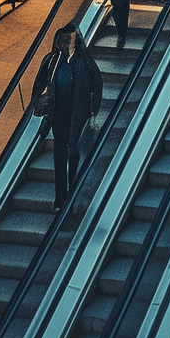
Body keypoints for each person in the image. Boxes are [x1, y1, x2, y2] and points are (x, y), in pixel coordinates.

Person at [30, 21, 104, 206]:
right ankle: (60, 196)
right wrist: (37, 101)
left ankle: (73, 192)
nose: (64, 44)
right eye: (62, 40)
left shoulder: (84, 61)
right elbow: (40, 82)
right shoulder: (53, 60)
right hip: (58, 116)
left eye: (68, 40)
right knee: (59, 156)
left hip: (78, 116)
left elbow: (97, 84)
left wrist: (93, 112)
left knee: (74, 154)